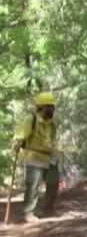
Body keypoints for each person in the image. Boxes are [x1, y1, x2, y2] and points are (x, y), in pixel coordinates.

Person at [10, 92, 60, 223]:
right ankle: (28, 212)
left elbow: (53, 139)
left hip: (49, 157)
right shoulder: (30, 120)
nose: (51, 109)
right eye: (48, 106)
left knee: (53, 182)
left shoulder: (52, 123)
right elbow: (20, 134)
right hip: (34, 156)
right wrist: (16, 143)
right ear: (41, 107)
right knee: (33, 185)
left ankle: (48, 209)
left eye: (52, 107)